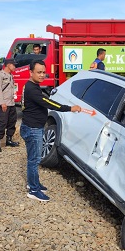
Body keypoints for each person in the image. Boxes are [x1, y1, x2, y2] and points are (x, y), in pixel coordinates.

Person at [21, 61, 81, 202]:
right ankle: (33, 189)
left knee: (34, 158)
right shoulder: (32, 89)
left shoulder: (31, 85)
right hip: (33, 129)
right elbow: (49, 103)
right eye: (39, 72)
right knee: (34, 160)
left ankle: (34, 183)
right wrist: (69, 108)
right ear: (31, 73)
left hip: (32, 126)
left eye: (43, 72)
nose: (42, 75)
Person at [0, 59, 19, 152]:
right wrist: (2, 103)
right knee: (3, 123)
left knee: (12, 121)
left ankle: (9, 139)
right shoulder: (1, 75)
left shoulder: (10, 75)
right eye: (14, 65)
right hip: (4, 103)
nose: (15, 67)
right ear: (8, 65)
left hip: (11, 103)